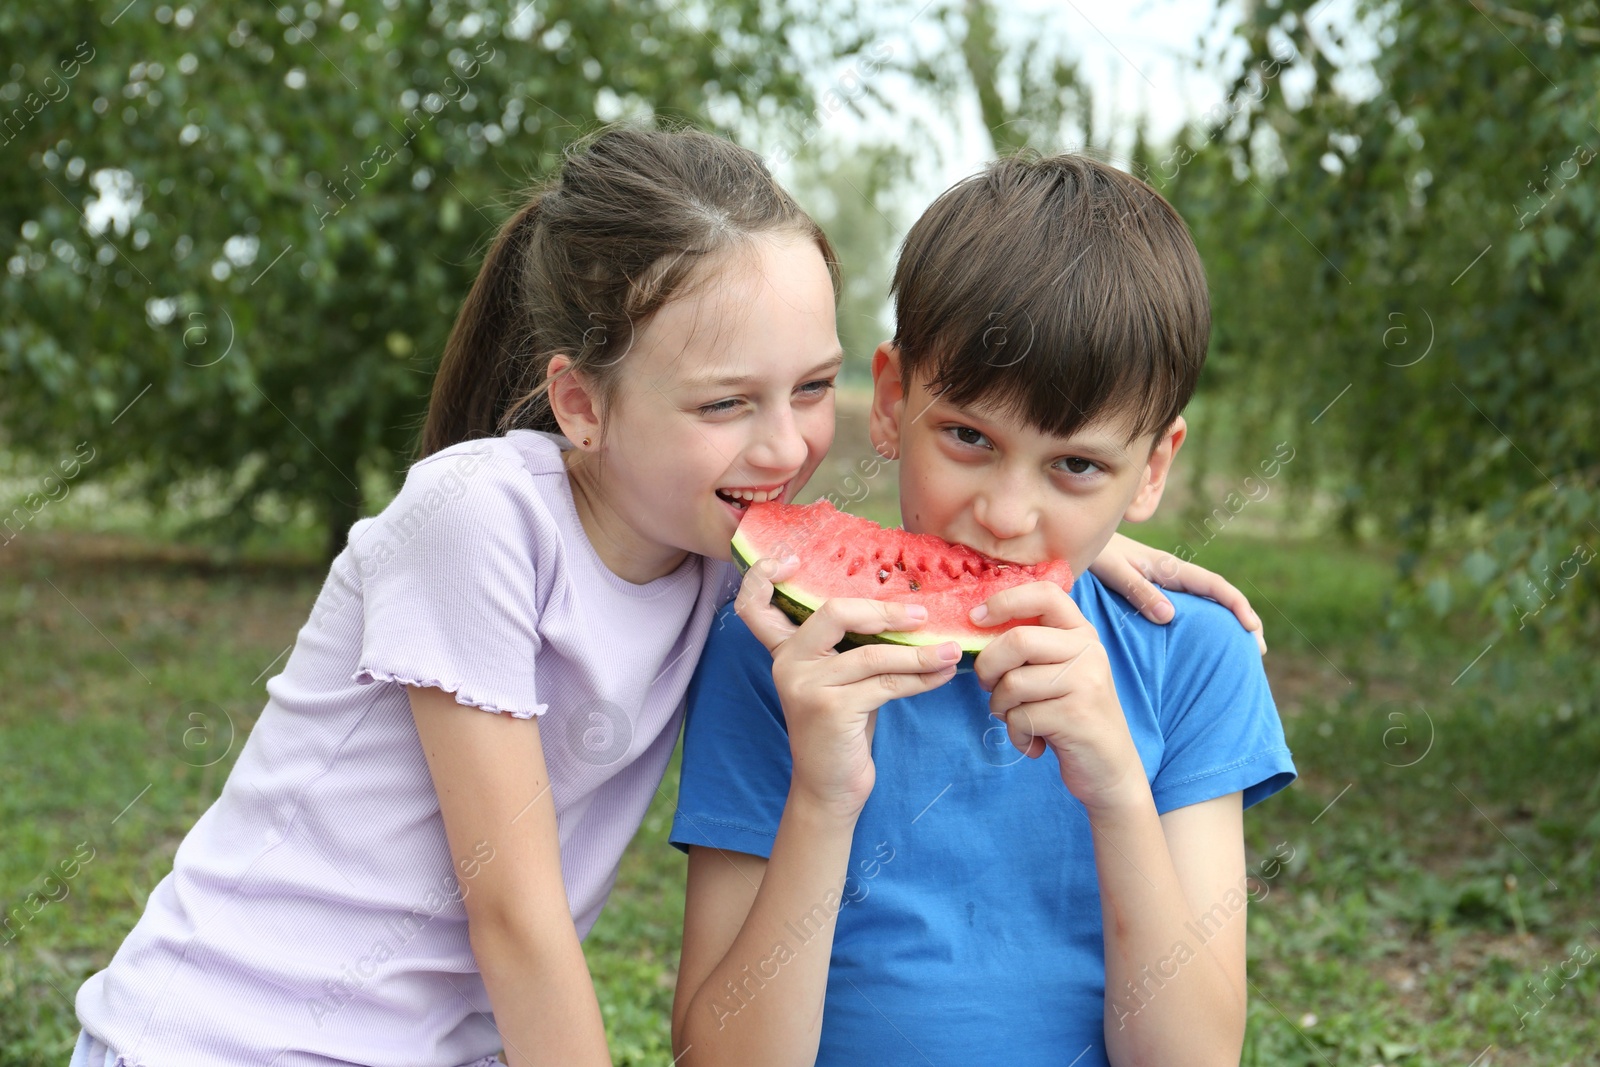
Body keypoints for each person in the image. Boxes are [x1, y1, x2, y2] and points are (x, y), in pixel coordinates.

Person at [67, 129, 1258, 1067]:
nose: (787, 446)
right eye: (723, 402)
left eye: (809, 388)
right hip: (226, 1038)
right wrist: (1060, 502)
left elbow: (924, 533)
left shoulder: (719, 555)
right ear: (581, 403)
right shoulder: (489, 521)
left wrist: (1079, 552)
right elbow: (520, 925)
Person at [669, 153, 1298, 1067]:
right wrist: (823, 796)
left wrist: (1119, 788)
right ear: (891, 401)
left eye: (1075, 465)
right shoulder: (779, 648)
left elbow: (1192, 1057)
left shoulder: (1195, 658)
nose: (1005, 515)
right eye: (968, 437)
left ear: (1154, 468)